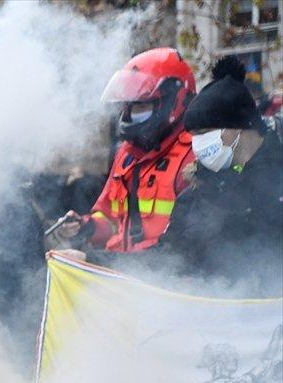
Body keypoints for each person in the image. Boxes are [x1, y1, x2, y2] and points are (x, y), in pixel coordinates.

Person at [52, 48, 198, 254]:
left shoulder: (192, 154)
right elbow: (110, 219)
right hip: (124, 271)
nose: (128, 116)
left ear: (173, 101)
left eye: (139, 107)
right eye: (126, 107)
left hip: (162, 274)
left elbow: (187, 242)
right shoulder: (127, 155)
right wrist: (87, 226)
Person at [162, 56, 283, 288]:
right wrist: (92, 259)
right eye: (195, 135)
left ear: (241, 129)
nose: (198, 144)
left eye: (206, 132)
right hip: (215, 316)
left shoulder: (275, 185)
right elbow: (166, 261)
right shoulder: (196, 195)